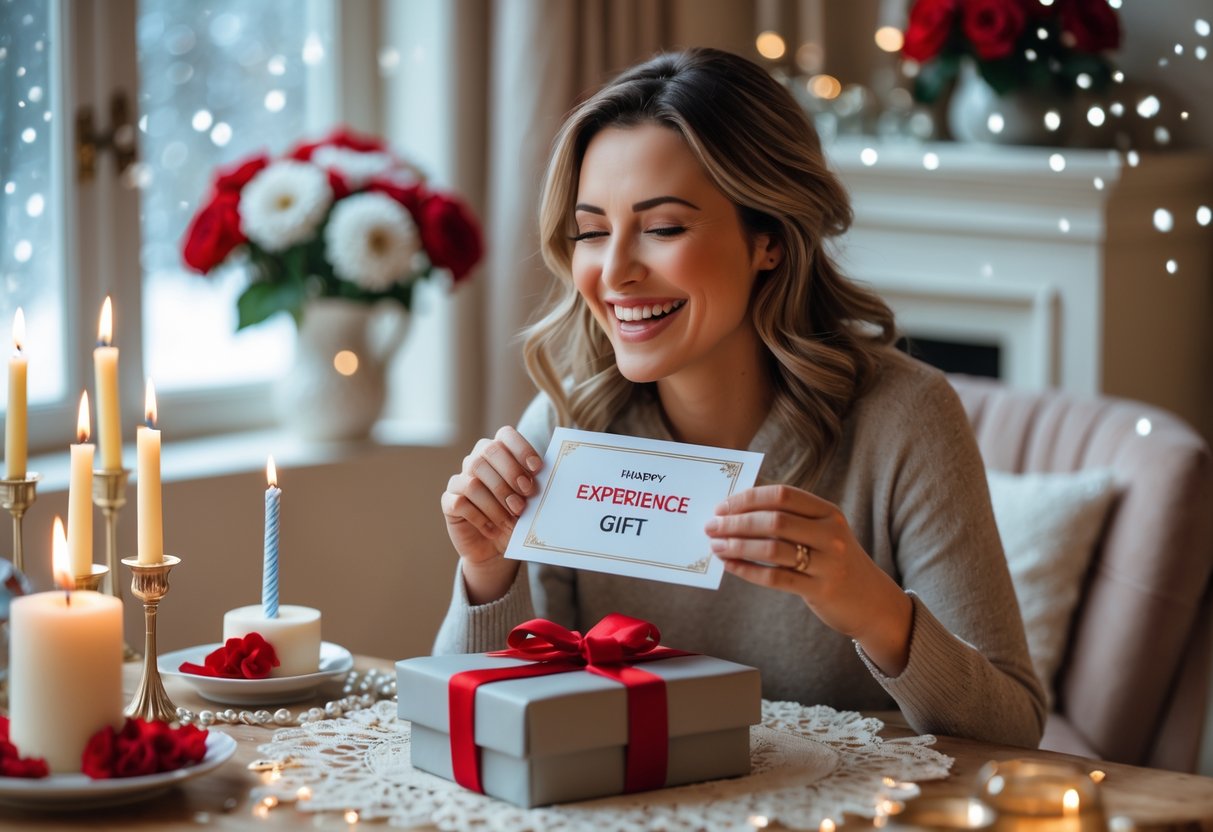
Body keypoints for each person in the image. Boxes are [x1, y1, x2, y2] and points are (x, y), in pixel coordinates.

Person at [434, 47, 1045, 748]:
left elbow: (1012, 729)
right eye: (592, 232)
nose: (615, 272)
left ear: (770, 241)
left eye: (663, 228)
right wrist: (486, 575)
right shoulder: (569, 423)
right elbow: (475, 734)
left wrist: (871, 609)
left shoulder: (903, 418)